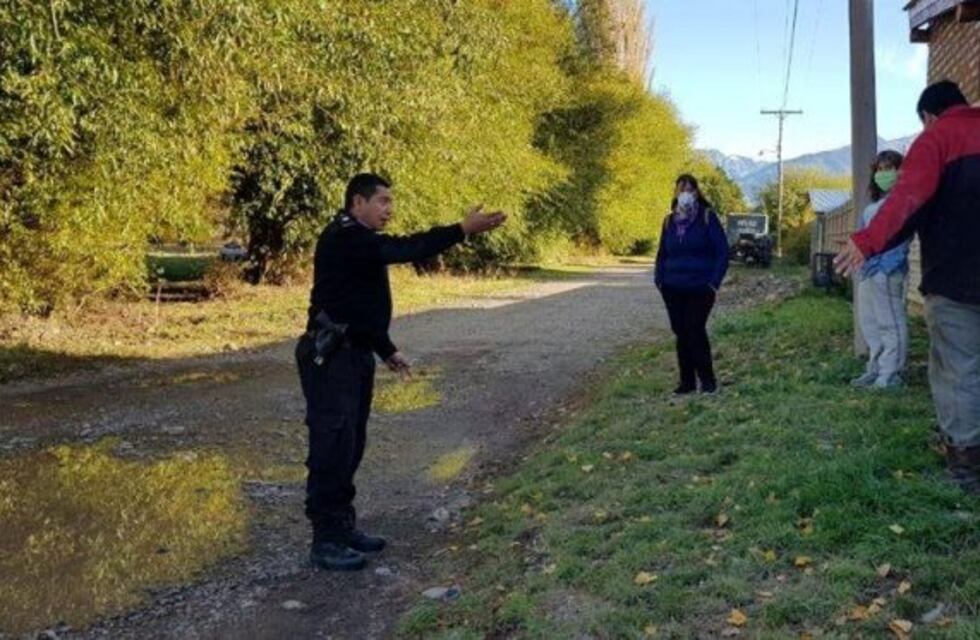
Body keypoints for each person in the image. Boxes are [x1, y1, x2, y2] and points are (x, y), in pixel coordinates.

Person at [296, 173, 506, 570]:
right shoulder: (345, 236)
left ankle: (343, 528)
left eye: (391, 202)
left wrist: (386, 350)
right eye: (382, 202)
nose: (389, 210)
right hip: (330, 357)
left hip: (353, 352)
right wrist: (461, 230)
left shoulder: (360, 242)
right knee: (331, 447)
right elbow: (407, 248)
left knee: (351, 444)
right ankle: (324, 540)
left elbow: (357, 305)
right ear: (357, 203)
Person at [835, 80, 980, 494]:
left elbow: (907, 200)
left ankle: (966, 466)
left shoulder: (937, 138)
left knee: (959, 371)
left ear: (929, 115)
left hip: (955, 281)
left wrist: (865, 242)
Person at [654, 174, 729, 395]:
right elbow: (662, 253)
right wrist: (659, 279)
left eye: (691, 189)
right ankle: (686, 382)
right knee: (681, 332)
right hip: (672, 286)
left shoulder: (707, 217)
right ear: (676, 193)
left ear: (697, 193)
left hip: (700, 287)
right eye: (682, 189)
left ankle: (708, 380)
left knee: (695, 330)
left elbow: (722, 252)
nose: (686, 193)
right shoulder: (668, 221)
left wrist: (713, 283)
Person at [851, 150, 910, 390]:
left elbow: (902, 239)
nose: (884, 174)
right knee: (870, 322)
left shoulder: (903, 203)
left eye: (889, 168)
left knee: (890, 322)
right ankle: (875, 369)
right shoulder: (871, 208)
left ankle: (891, 373)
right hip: (868, 270)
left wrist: (885, 268)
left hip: (888, 271)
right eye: (880, 169)